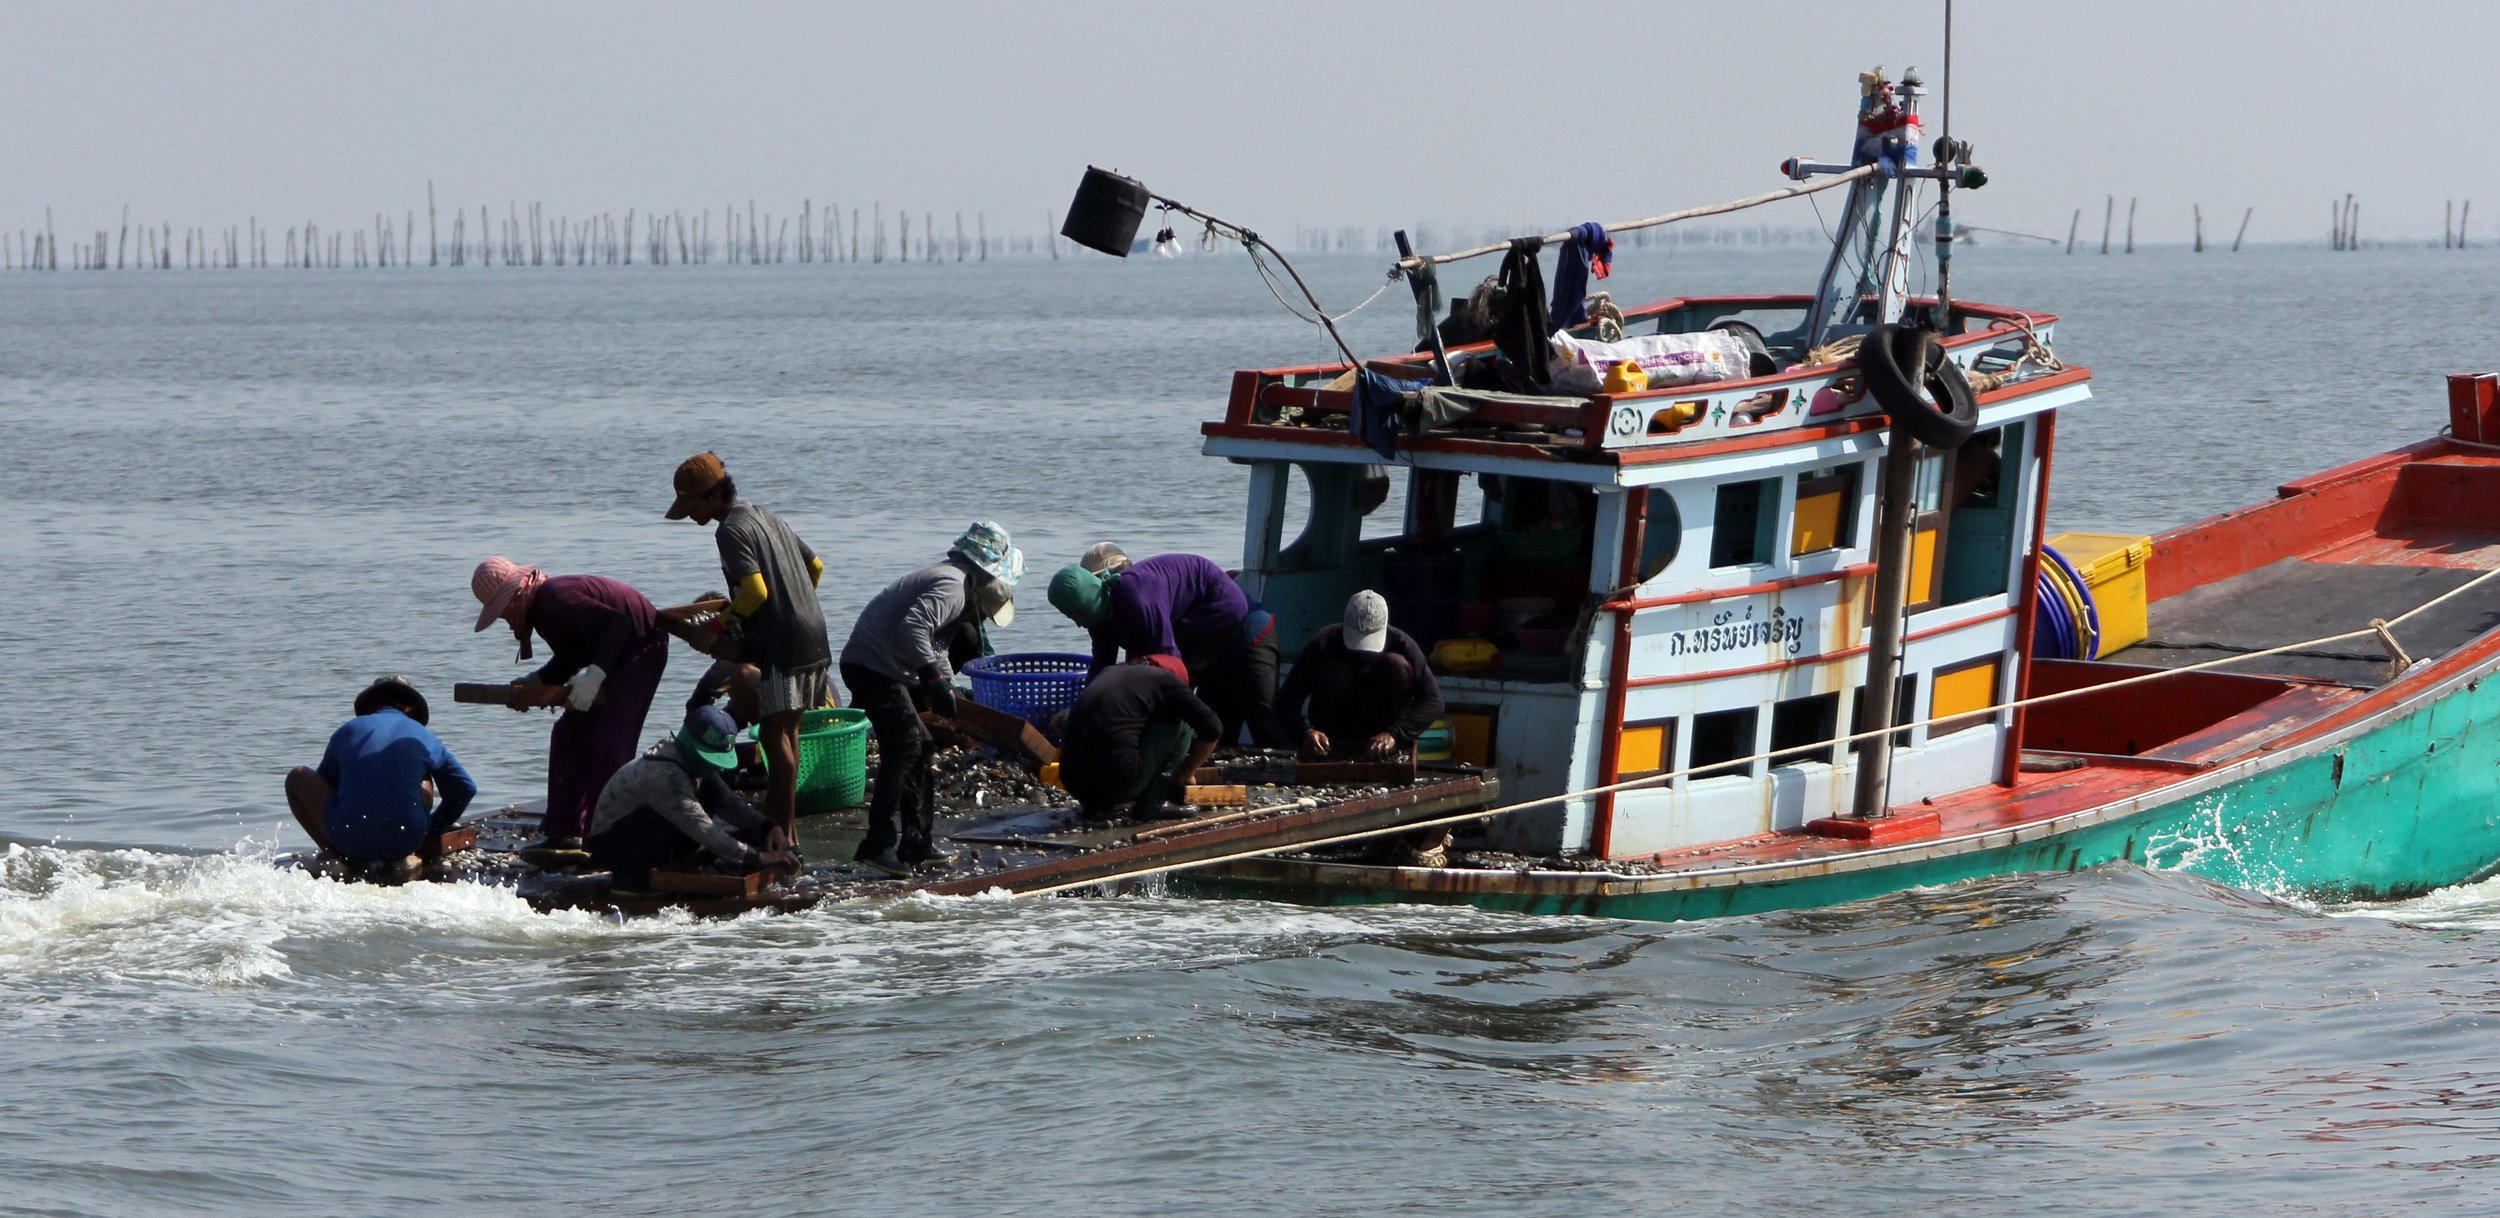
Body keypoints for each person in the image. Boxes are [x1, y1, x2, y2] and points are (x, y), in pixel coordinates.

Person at [665, 451, 831, 850]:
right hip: (814, 634)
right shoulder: (767, 516)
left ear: (712, 496)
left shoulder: (730, 530)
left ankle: (782, 837)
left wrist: (715, 628)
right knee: (788, 732)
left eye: (693, 506)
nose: (691, 516)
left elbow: (755, 591)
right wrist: (796, 603)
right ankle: (785, 831)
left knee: (774, 737)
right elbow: (816, 567)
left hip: (783, 645)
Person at [838, 521, 1021, 877]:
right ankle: (877, 844)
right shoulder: (953, 586)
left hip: (881, 668)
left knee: (921, 746)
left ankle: (917, 843)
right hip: (872, 668)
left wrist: (948, 686)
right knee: (906, 745)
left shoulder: (955, 580)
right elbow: (912, 629)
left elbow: (937, 647)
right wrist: (933, 680)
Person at [472, 556, 671, 863]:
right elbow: (572, 657)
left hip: (641, 650)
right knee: (568, 734)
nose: (505, 620)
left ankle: (606, 838)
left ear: (515, 596)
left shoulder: (555, 599)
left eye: (503, 611)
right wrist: (537, 681)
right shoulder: (545, 611)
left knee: (609, 743)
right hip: (613, 655)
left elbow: (618, 626)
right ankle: (565, 831)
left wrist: (595, 675)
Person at [1046, 549, 1285, 750]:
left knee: (1263, 721)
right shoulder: (1097, 618)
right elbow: (1101, 666)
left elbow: (1171, 664)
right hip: (1209, 651)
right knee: (1217, 733)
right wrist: (1079, 713)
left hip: (1235, 621)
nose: (1079, 623)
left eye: (1079, 614)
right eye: (1072, 617)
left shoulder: (1135, 596)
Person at [285, 677, 476, 882]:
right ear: (411, 709)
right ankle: (403, 848)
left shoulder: (348, 729)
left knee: (297, 776)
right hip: (406, 842)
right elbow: (465, 788)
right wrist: (433, 828)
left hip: (349, 841)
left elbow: (326, 785)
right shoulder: (425, 736)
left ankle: (336, 856)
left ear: (369, 706)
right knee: (423, 776)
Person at [586, 706, 795, 893]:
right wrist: (757, 857)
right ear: (691, 747)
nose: (716, 767)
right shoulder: (666, 777)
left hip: (640, 831)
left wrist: (767, 827)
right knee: (678, 815)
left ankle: (672, 862)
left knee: (711, 793)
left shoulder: (693, 765)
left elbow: (728, 803)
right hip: (610, 844)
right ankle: (631, 878)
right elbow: (703, 829)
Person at [1277, 590, 1447, 759]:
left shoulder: (1403, 644)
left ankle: (1387, 745)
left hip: (1385, 733)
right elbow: (1285, 702)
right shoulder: (1324, 642)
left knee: (1396, 664)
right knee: (1335, 669)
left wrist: (1395, 733)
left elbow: (1434, 701)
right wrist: (1305, 733)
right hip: (1332, 735)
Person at [1057, 654, 1222, 822]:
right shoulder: (1164, 679)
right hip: (1120, 785)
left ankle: (1096, 807)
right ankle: (1152, 804)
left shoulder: (1110, 673)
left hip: (1074, 784)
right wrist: (1187, 773)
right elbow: (1213, 727)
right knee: (1182, 720)